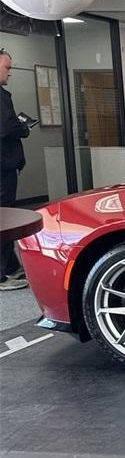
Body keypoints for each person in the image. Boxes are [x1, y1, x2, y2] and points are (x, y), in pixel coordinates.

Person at [0, 47, 30, 291]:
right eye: (7, 67)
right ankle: (3, 274)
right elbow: (6, 128)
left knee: (5, 216)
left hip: (4, 166)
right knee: (3, 218)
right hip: (2, 168)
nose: (10, 73)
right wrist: (23, 128)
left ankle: (10, 267)